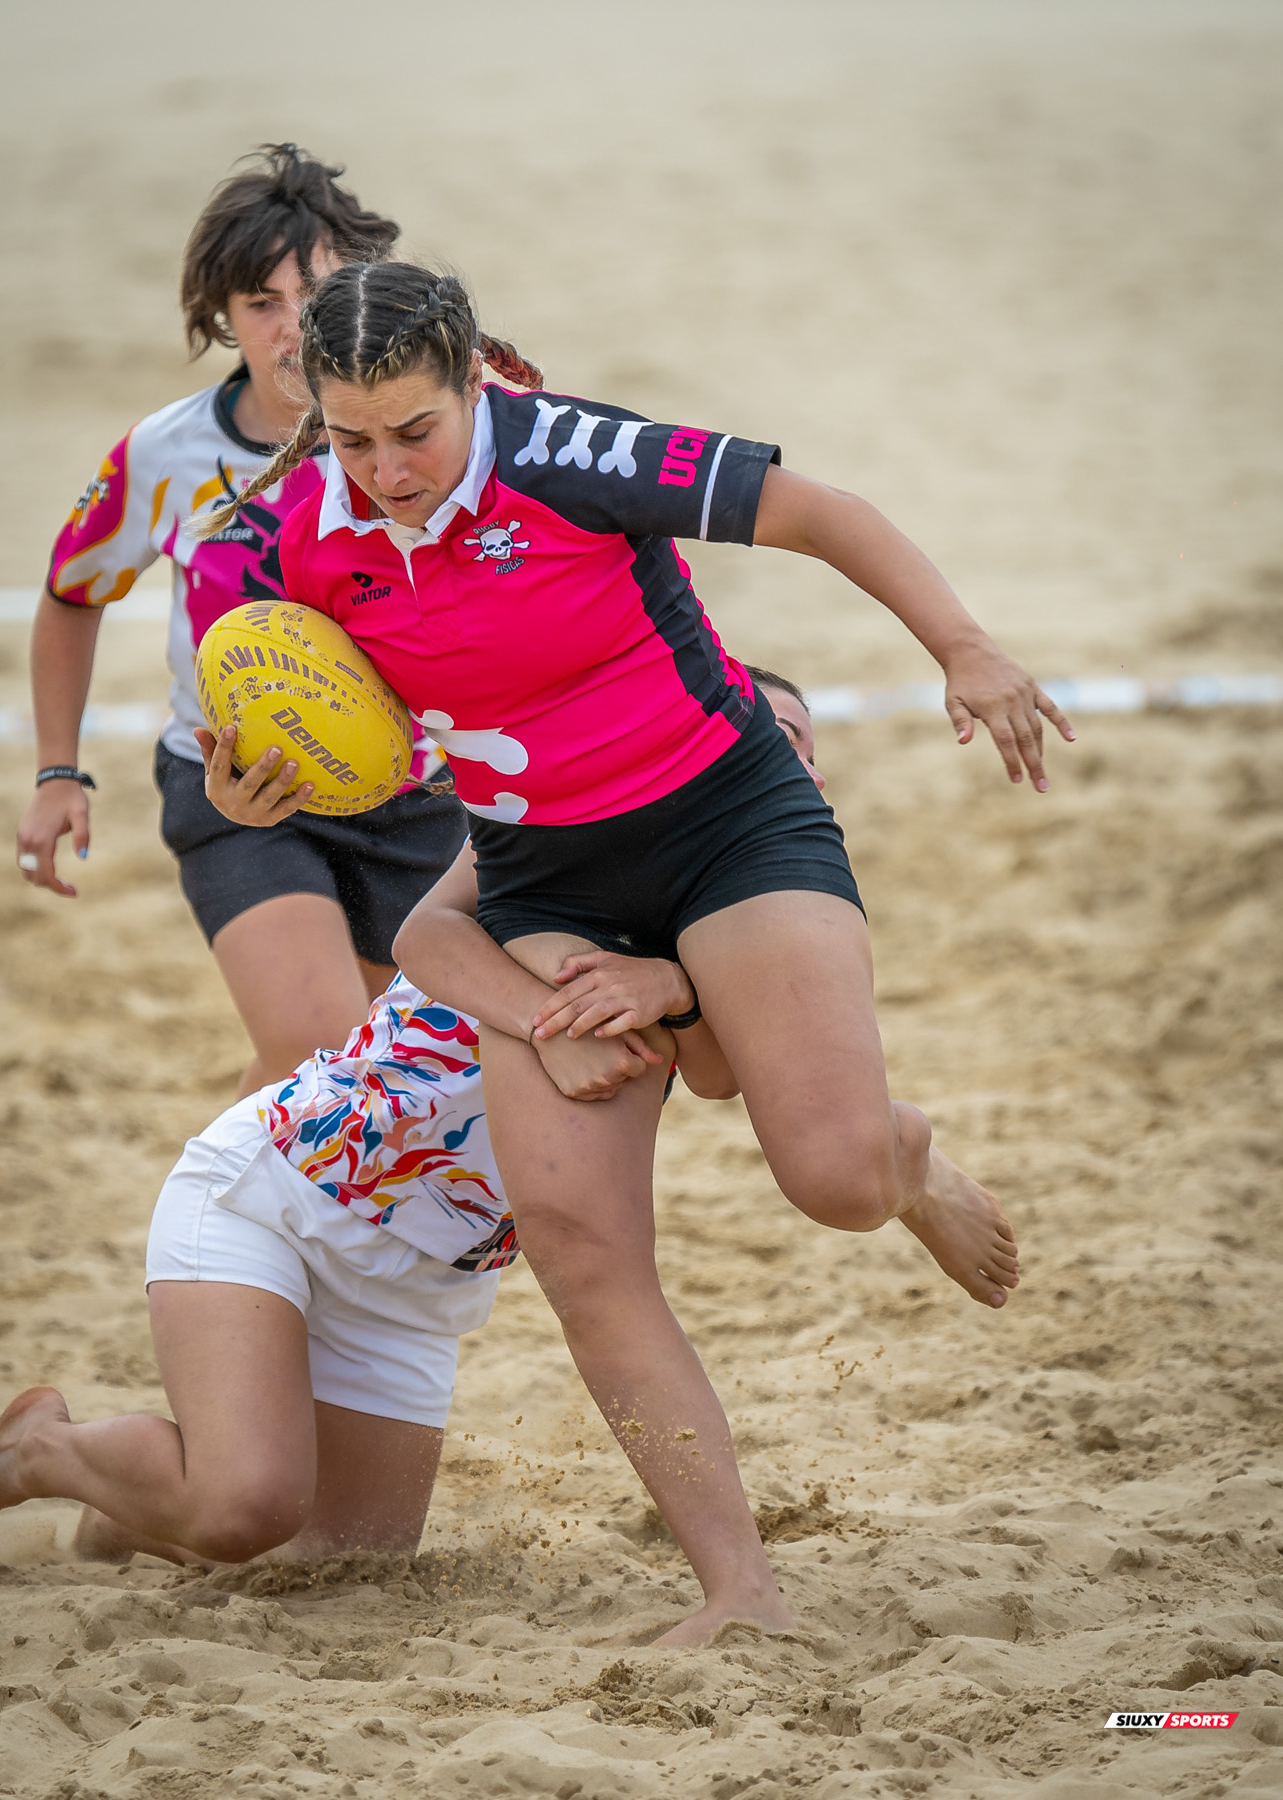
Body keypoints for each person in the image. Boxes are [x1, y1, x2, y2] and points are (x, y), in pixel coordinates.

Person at [195, 261, 1072, 1641]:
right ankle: (741, 1590)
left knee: (831, 1178)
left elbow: (818, 513)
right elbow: (272, 711)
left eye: (413, 433)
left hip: (728, 824)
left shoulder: (571, 453)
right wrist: (259, 780)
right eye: (351, 438)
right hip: (541, 874)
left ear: (473, 383)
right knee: (578, 1245)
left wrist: (963, 648)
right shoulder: (297, 531)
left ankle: (898, 1158)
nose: (382, 469)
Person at [0, 907, 726, 1571]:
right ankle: (43, 1451)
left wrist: (681, 984)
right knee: (245, 1509)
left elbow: (725, 1074)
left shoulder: (736, 912)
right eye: (775, 733)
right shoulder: (553, 818)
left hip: (427, 1280)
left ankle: (136, 1510)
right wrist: (550, 1017)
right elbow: (428, 932)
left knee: (343, 1565)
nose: (799, 767)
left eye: (800, 749)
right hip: (280, 1194)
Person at [14, 148, 467, 1097]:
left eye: (320, 293)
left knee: (403, 1074)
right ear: (221, 316)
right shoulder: (166, 453)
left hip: (416, 792)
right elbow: (71, 594)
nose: (295, 327)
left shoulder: (420, 434)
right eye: (262, 302)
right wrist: (59, 770)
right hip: (236, 792)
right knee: (327, 1064)